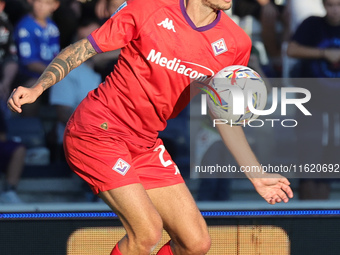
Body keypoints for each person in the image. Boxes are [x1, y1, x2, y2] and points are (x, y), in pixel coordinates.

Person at [8, 0, 293, 254]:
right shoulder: (148, 7)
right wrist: (39, 87)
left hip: (144, 143)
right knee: (146, 231)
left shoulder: (236, 43)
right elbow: (83, 49)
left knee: (196, 243)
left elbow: (224, 115)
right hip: (97, 130)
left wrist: (256, 175)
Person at [287, 0, 340, 200]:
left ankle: (322, 220)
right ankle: (307, 217)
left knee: (329, 165)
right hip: (312, 104)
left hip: (336, 109)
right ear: (324, 5)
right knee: (308, 161)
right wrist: (324, 53)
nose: (334, 10)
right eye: (330, 5)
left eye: (338, 5)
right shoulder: (312, 24)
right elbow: (291, 49)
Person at [13, 0, 60, 116]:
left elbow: (57, 56)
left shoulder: (53, 27)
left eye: (47, 3)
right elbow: (29, 63)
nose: (41, 6)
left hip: (52, 74)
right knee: (31, 87)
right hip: (29, 75)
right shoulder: (25, 26)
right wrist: (56, 72)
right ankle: (29, 128)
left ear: (55, 6)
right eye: (38, 1)